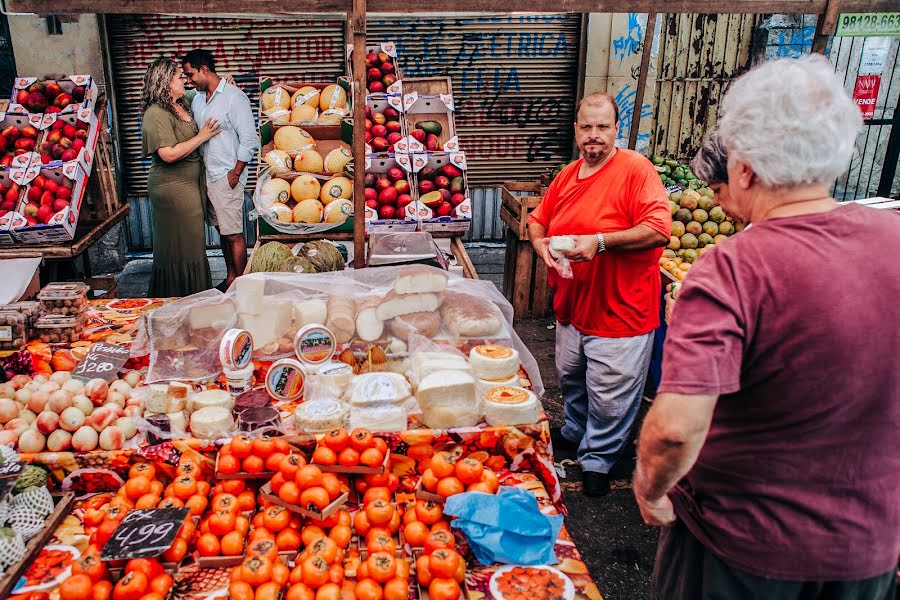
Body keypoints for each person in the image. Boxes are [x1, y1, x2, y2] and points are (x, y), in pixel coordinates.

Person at [634, 55, 899, 599]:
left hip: (742, 552)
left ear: (746, 168)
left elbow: (675, 429)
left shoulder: (733, 267)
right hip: (868, 550)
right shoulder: (893, 239)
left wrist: (651, 486)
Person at [527, 93, 672, 497]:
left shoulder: (636, 171)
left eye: (602, 127)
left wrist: (602, 242)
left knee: (610, 395)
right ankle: (575, 432)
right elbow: (539, 220)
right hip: (573, 306)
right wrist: (540, 245)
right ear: (576, 130)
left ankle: (600, 458)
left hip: (621, 311)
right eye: (586, 127)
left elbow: (659, 229)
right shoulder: (568, 175)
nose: (594, 136)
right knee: (572, 378)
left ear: (616, 130)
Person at [141, 57, 220, 297]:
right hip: (172, 189)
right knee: (180, 248)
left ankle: (195, 298)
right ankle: (178, 298)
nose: (184, 80)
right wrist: (202, 136)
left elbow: (209, 94)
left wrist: (222, 84)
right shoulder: (155, 114)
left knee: (193, 246)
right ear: (165, 83)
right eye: (178, 77)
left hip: (190, 185)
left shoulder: (183, 103)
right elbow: (168, 154)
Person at [182, 49, 258, 289]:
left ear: (204, 70)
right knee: (222, 232)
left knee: (234, 234)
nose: (188, 81)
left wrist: (235, 173)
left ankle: (242, 286)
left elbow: (249, 140)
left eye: (190, 74)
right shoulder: (196, 98)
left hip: (227, 176)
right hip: (208, 175)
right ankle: (230, 278)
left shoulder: (234, 98)